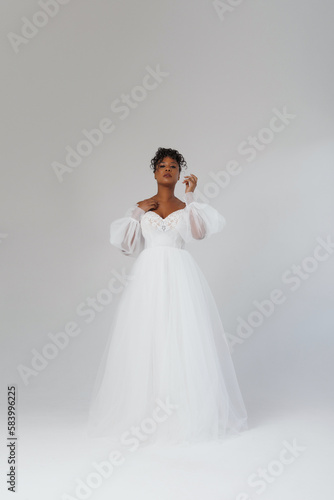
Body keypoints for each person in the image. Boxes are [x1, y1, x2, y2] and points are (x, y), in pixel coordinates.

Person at [86, 147, 248, 448]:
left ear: (179, 173)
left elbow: (198, 235)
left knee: (180, 337)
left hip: (179, 273)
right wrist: (137, 211)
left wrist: (192, 198)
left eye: (173, 166)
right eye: (162, 165)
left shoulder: (187, 207)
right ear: (155, 171)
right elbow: (126, 246)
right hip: (148, 276)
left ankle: (181, 414)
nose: (168, 169)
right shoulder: (143, 205)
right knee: (147, 336)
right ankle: (144, 414)